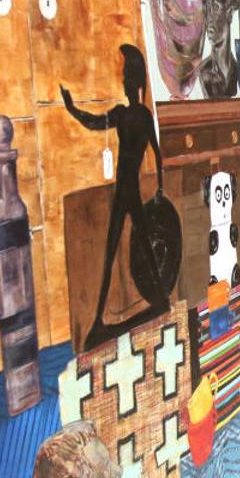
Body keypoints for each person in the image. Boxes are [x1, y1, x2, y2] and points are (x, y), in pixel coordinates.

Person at [61, 44, 166, 350]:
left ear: (135, 83)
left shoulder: (136, 115)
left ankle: (103, 317)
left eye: (127, 78)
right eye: (124, 78)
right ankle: (104, 316)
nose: (124, 83)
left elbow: (157, 152)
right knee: (128, 245)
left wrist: (160, 186)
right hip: (125, 188)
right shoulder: (133, 115)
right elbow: (95, 122)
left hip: (126, 188)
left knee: (121, 246)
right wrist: (71, 108)